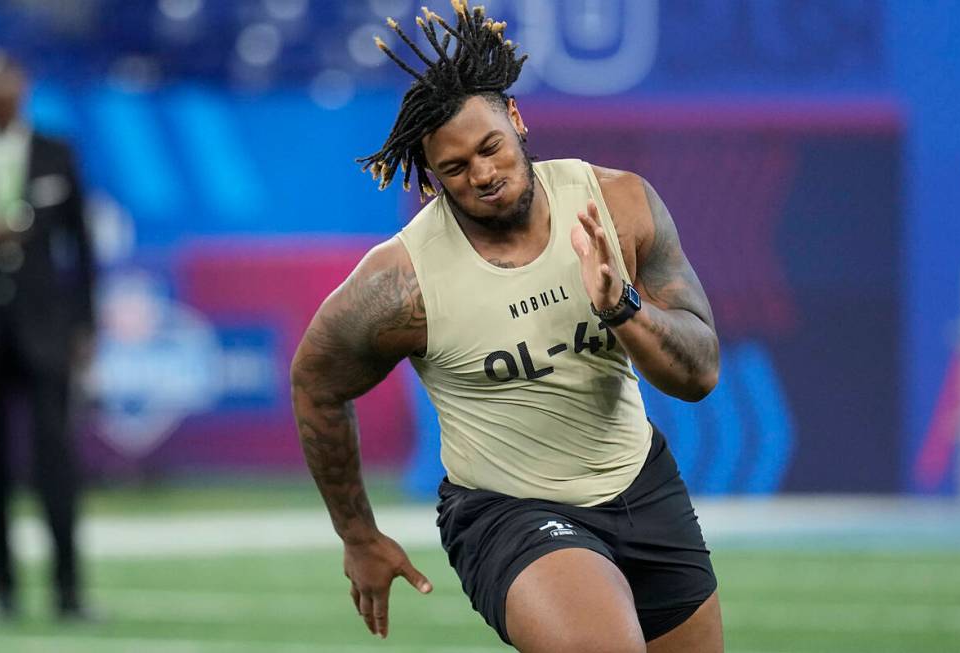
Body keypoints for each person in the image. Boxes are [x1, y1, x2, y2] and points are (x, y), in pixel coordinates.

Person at [290, 3, 723, 651]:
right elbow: (315, 383)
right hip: (508, 510)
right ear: (432, 183)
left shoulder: (619, 205)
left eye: (490, 147)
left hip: (641, 482)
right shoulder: (402, 282)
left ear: (516, 120)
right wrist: (358, 534)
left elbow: (700, 374)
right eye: (457, 168)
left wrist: (622, 308)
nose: (484, 174)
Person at [0, 52, 96, 620]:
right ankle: (4, 590)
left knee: (55, 460)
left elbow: (82, 249)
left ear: (22, 85)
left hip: (44, 328)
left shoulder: (56, 151)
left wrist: (84, 325)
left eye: (5, 78)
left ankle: (69, 591)